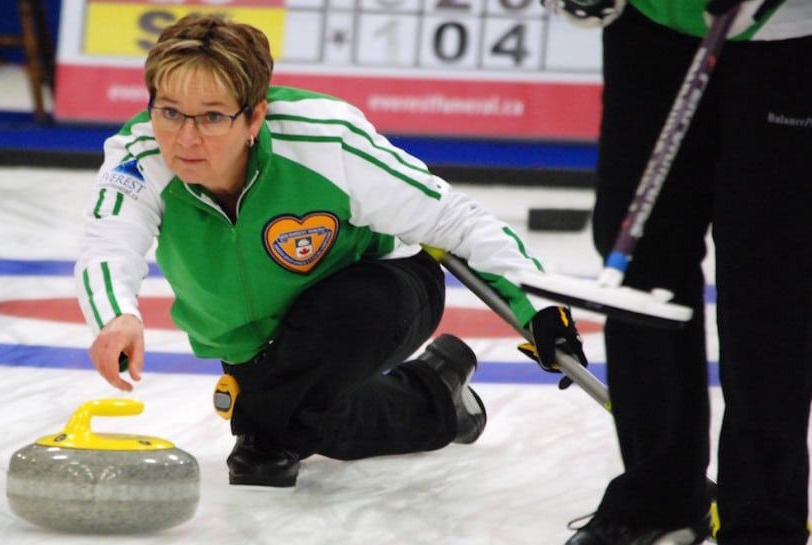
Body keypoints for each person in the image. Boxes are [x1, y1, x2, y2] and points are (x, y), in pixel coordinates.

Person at [74, 13, 587, 488]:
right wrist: (116, 314)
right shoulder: (139, 157)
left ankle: (268, 423)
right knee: (315, 420)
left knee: (325, 348)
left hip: (383, 288)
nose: (185, 137)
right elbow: (108, 240)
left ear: (255, 117)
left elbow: (453, 219)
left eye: (211, 117)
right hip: (255, 342)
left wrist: (537, 307)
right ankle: (440, 393)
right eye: (169, 113)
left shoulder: (327, 140)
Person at [545, 0, 812, 543]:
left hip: (786, 43)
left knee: (771, 282)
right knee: (641, 271)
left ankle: (765, 518)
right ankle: (654, 500)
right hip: (651, 26)